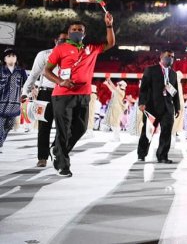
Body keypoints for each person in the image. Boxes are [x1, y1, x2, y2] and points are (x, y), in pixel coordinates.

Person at [44, 14, 115, 176]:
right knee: (63, 130)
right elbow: (46, 71)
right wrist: (61, 81)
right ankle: (63, 165)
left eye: (80, 30)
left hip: (84, 95)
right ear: (68, 33)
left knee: (81, 128)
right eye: (74, 30)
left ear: (84, 33)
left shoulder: (90, 48)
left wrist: (109, 26)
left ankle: (59, 150)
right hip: (62, 95)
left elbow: (111, 43)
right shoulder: (60, 49)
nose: (77, 31)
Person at [23, 33, 67, 167]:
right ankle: (42, 157)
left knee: (64, 128)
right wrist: (25, 91)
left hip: (63, 94)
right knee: (43, 128)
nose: (64, 42)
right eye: (62, 40)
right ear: (55, 40)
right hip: (45, 94)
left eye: (67, 41)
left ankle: (55, 150)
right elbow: (33, 75)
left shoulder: (71, 57)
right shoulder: (44, 55)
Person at [137, 51, 181, 163]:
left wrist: (177, 107)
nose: (171, 58)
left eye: (172, 57)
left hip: (168, 107)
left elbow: (175, 92)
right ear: (161, 57)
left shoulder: (173, 74)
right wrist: (142, 103)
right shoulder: (151, 70)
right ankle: (141, 154)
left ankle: (162, 156)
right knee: (147, 131)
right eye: (168, 56)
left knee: (166, 132)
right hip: (152, 106)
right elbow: (144, 88)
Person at [0, 48, 28, 153]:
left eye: (13, 56)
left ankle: (0, 141)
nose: (11, 58)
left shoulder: (20, 71)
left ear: (16, 58)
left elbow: (27, 83)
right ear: (4, 59)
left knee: (9, 125)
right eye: (8, 56)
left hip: (14, 104)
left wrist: (31, 90)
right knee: (0, 125)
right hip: (1, 103)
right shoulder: (1, 70)